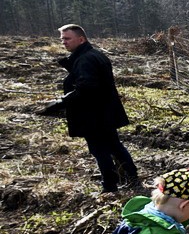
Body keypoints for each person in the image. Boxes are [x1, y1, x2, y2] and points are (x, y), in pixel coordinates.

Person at [38, 24, 138, 193]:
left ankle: (110, 186)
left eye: (67, 38)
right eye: (62, 39)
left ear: (81, 39)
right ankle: (131, 178)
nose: (64, 42)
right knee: (114, 146)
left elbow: (87, 88)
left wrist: (60, 102)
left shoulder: (86, 59)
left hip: (93, 114)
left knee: (100, 150)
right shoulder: (93, 55)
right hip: (103, 111)